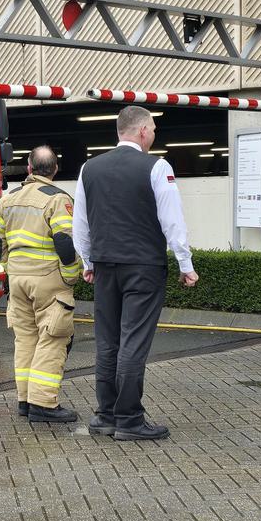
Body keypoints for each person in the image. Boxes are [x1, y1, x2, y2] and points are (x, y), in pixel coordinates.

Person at [73, 106, 198, 441]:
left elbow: (80, 224)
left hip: (104, 267)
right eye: (153, 128)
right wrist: (185, 264)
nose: (154, 134)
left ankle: (106, 416)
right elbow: (173, 220)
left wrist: (88, 262)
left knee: (108, 341)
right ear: (142, 131)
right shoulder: (157, 166)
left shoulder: (89, 168)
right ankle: (129, 419)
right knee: (133, 341)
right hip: (143, 266)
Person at [0, 146, 80, 423]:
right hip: (48, 279)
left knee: (25, 338)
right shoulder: (58, 199)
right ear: (54, 169)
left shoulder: (9, 198)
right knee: (53, 338)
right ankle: (43, 404)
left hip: (17, 278)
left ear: (29, 168)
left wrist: (8, 264)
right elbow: (64, 240)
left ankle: (25, 401)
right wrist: (71, 274)